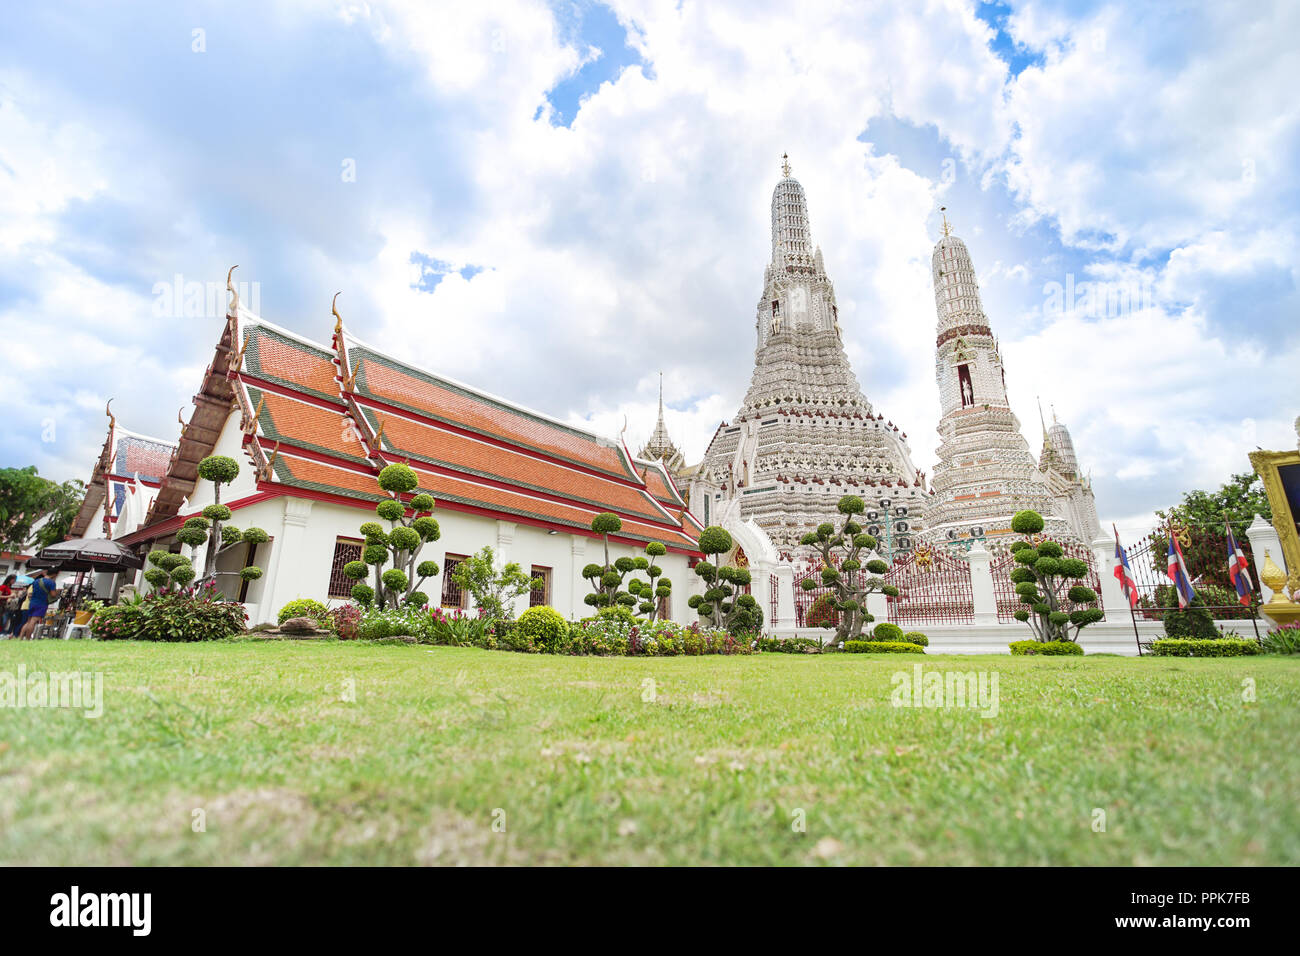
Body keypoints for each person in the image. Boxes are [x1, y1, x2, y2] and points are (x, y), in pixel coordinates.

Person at [19, 570, 59, 640]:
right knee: (33, 621)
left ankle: (21, 637)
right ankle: (28, 639)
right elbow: (53, 594)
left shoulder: (36, 581)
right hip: (41, 603)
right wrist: (57, 592)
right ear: (55, 574)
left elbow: (32, 592)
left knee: (28, 621)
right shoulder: (51, 582)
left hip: (32, 602)